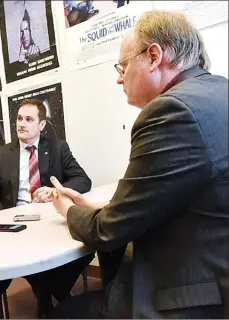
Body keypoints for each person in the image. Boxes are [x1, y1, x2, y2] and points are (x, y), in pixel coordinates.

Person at [50, 11, 228, 318]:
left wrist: (67, 210)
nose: (119, 77)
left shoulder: (171, 111)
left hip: (196, 291)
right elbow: (176, 192)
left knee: (63, 313)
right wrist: (98, 207)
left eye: (122, 65)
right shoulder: (218, 90)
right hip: (215, 258)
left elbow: (108, 232)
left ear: (154, 56)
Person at [0, 99, 93, 318]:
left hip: (50, 219)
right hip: (17, 224)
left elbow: (83, 180)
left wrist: (56, 191)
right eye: (19, 118)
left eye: (29, 119)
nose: (21, 124)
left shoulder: (57, 147)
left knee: (86, 246)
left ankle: (50, 291)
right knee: (24, 253)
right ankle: (50, 295)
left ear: (42, 125)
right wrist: (9, 218)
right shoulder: (2, 155)